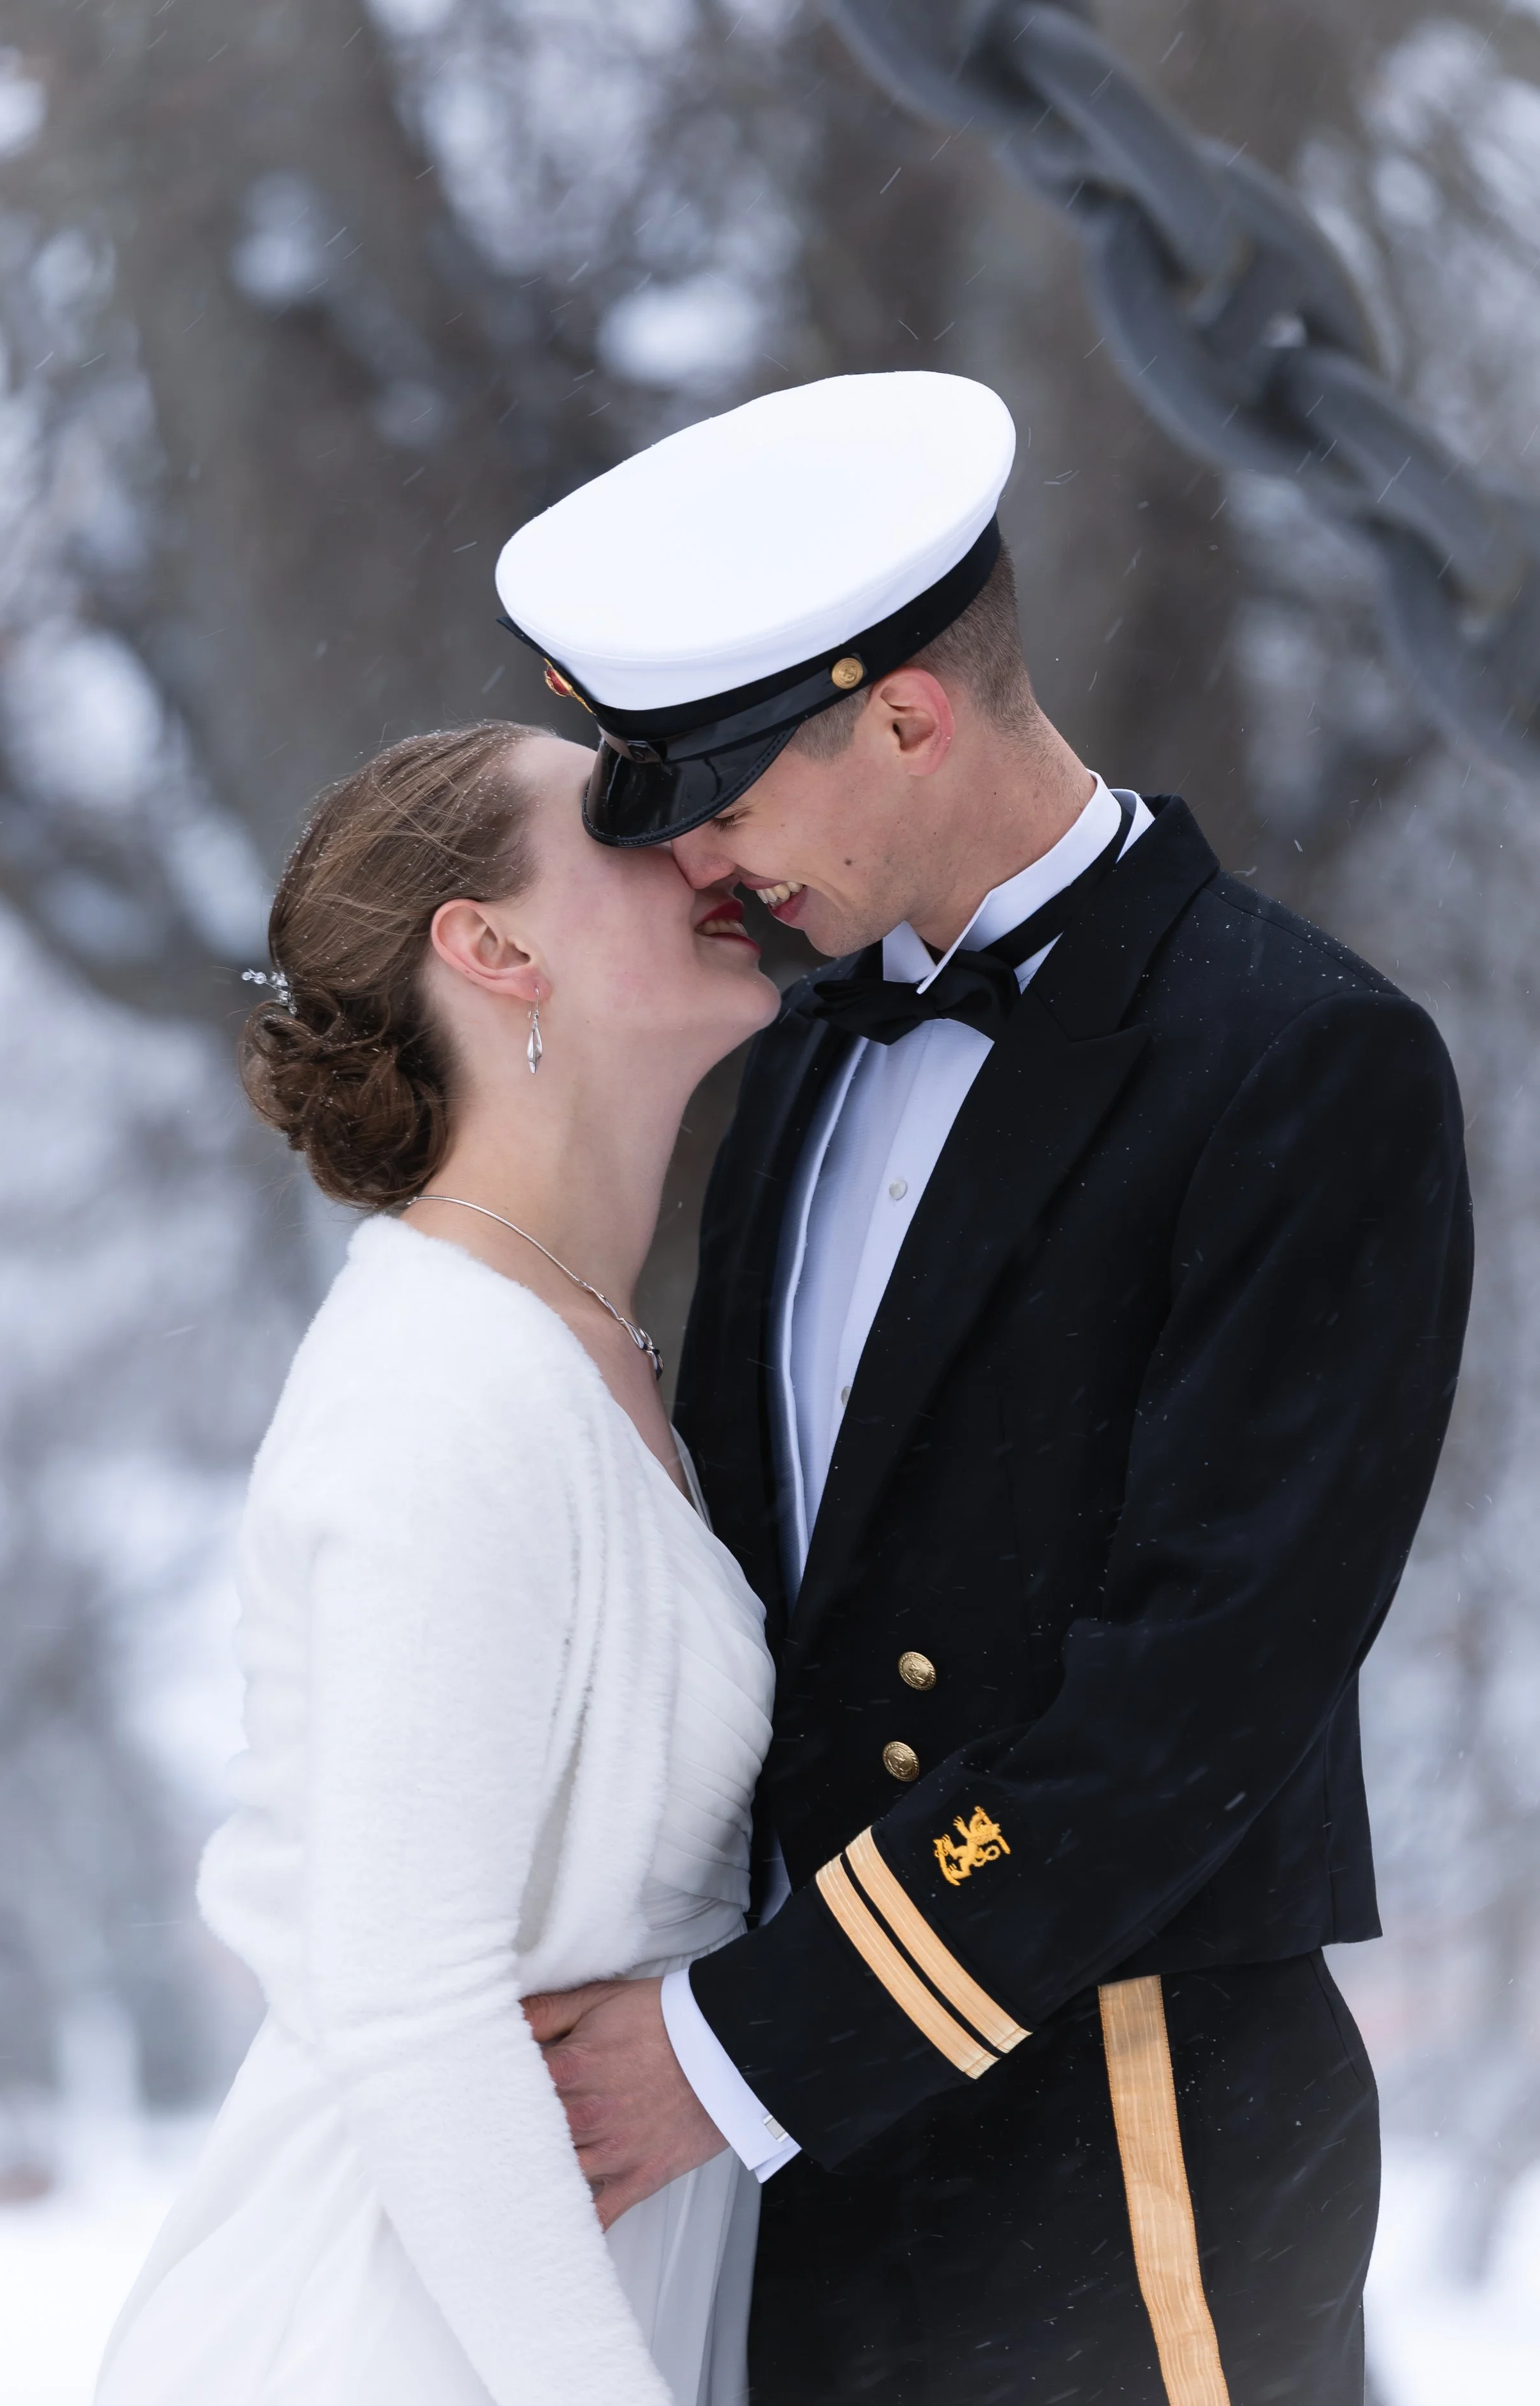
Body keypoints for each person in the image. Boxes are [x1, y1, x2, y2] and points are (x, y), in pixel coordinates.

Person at [506, 371, 1476, 2404]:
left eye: (726, 803)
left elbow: (1196, 1698)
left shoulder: (1302, 1062)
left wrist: (737, 2048)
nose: (706, 873)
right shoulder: (794, 1063)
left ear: (906, 716)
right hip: (814, 2148)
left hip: (1123, 2124)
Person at [94, 721, 782, 2406]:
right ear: (490, 944)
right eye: (630, 823)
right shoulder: (442, 1387)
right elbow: (408, 1999)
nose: (708, 845)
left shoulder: (580, 1356)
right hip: (391, 2334)